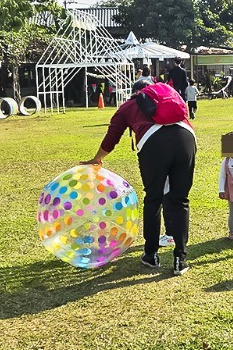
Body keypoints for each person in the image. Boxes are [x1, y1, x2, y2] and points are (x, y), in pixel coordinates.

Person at [83, 79, 195, 275]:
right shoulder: (167, 95)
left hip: (153, 141)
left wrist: (97, 158)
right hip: (186, 137)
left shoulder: (129, 105)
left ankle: (151, 254)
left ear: (135, 92)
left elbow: (112, 136)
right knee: (180, 200)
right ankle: (180, 258)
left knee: (153, 199)